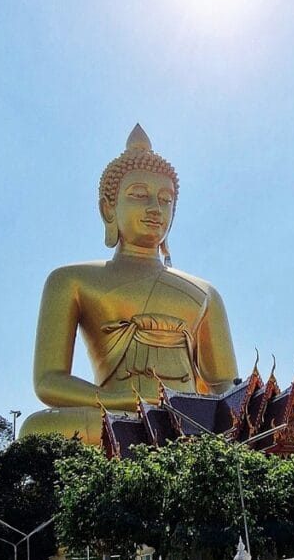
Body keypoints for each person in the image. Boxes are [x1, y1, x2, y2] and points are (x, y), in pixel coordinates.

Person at [19, 125, 238, 444]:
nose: (155, 208)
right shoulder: (71, 280)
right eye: (139, 195)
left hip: (193, 423)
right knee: (38, 430)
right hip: (118, 416)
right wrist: (126, 402)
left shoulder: (205, 293)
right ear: (109, 208)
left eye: (166, 200)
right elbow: (48, 382)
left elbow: (225, 386)